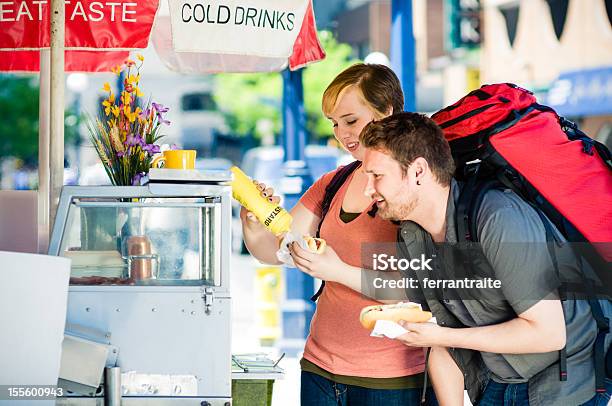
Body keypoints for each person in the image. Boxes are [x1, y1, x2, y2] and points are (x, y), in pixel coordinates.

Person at [359, 111, 612, 406]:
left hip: (564, 385)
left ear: (418, 172)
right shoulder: (414, 236)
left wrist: (441, 337)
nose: (368, 189)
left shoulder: (498, 217)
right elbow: (441, 336)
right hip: (496, 382)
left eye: (376, 176)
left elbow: (548, 334)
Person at [240, 64, 436, 405]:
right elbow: (279, 250)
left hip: (392, 379)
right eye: (334, 123)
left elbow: (421, 290)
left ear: (385, 112)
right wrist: (254, 223)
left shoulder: (419, 186)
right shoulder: (333, 183)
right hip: (320, 369)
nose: (342, 134)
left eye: (351, 120)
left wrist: (337, 271)